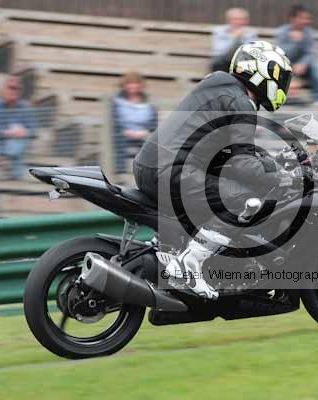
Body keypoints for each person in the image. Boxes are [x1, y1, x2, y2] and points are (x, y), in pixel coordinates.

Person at [133, 41, 293, 299]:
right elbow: (242, 163)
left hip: (151, 164)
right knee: (244, 200)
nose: (283, 86)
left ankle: (176, 253)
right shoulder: (240, 102)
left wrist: (269, 162)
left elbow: (229, 149)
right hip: (171, 170)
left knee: (222, 190)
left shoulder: (219, 86)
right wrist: (281, 177)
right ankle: (190, 264)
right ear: (262, 72)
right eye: (280, 78)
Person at [0, 76, 36, 180]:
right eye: (10, 88)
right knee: (13, 138)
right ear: (4, 90)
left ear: (20, 91)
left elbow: (33, 131)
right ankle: (16, 174)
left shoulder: (25, 107)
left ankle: (5, 159)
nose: (13, 91)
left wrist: (25, 132)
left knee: (18, 136)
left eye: (16, 88)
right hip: (0, 143)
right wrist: (9, 133)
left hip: (19, 144)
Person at [275, 4, 318, 104]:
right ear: (293, 18)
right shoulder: (282, 32)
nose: (306, 21)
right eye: (302, 18)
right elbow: (280, 53)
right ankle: (276, 99)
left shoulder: (310, 33)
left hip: (304, 68)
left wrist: (303, 64)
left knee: (317, 67)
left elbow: (311, 53)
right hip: (286, 65)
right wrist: (295, 43)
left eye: (307, 18)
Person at [112, 72, 158, 173]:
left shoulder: (149, 103)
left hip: (143, 134)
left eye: (136, 83)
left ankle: (147, 172)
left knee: (153, 143)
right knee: (118, 139)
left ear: (141, 85)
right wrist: (125, 131)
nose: (133, 86)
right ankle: (120, 172)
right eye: (130, 83)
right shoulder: (116, 102)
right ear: (124, 85)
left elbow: (153, 124)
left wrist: (145, 133)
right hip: (122, 134)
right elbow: (113, 121)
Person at [211, 8, 258, 73]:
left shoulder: (251, 33)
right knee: (219, 62)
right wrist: (235, 37)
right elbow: (220, 50)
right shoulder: (220, 31)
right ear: (228, 20)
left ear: (247, 21)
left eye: (242, 19)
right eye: (235, 19)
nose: (239, 22)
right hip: (223, 62)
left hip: (242, 63)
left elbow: (251, 52)